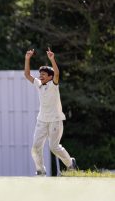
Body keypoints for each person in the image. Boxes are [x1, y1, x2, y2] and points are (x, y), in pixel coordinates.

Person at [24, 48, 77, 176]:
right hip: (41, 120)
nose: (40, 76)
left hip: (55, 119)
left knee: (54, 147)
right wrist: (27, 59)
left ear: (50, 77)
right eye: (40, 74)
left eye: (43, 75)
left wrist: (52, 59)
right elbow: (27, 75)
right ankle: (41, 171)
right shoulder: (39, 84)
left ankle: (70, 163)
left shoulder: (54, 84)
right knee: (36, 147)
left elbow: (57, 73)